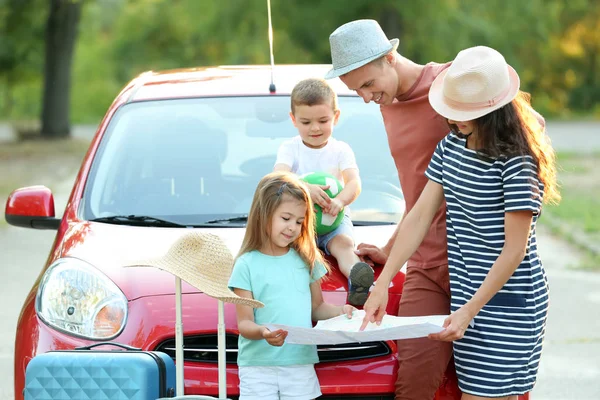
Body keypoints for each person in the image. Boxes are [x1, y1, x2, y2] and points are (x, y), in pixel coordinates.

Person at [364, 46, 560, 399]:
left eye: (462, 113)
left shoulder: (517, 163)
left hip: (508, 305)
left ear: (493, 109)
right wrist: (384, 281)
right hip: (468, 300)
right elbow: (420, 216)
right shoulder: (451, 147)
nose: (453, 120)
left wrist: (469, 309)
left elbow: (514, 251)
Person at [325, 19, 455, 399]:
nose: (366, 97)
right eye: (356, 91)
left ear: (389, 56)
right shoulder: (388, 103)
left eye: (368, 84)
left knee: (485, 386)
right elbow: (419, 193)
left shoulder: (450, 84)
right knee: (413, 384)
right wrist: (391, 247)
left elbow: (522, 134)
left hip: (480, 263)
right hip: (427, 265)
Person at [228, 171, 357, 400]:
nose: (292, 227)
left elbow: (317, 308)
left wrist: (341, 311)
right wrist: (263, 332)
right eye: (286, 218)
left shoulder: (308, 260)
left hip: (300, 363)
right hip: (257, 367)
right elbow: (245, 323)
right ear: (263, 214)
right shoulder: (246, 264)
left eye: (299, 221)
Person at [274, 77, 374, 306]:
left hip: (333, 217)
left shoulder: (340, 150)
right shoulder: (290, 148)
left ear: (336, 117)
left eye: (323, 120)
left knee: (345, 246)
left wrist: (339, 201)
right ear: (293, 120)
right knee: (289, 252)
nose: (315, 128)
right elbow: (278, 176)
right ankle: (284, 293)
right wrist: (304, 187)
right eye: (306, 122)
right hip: (297, 223)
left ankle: (358, 280)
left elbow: (354, 183)